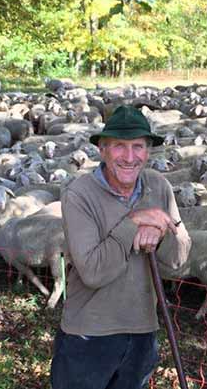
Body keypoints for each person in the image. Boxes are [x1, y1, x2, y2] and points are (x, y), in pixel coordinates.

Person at [50, 105, 192, 389]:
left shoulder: (159, 186)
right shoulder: (79, 195)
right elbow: (92, 272)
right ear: (102, 150)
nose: (129, 157)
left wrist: (160, 232)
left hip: (142, 331)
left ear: (148, 150)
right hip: (89, 335)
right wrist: (134, 222)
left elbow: (179, 259)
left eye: (138, 146)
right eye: (119, 146)